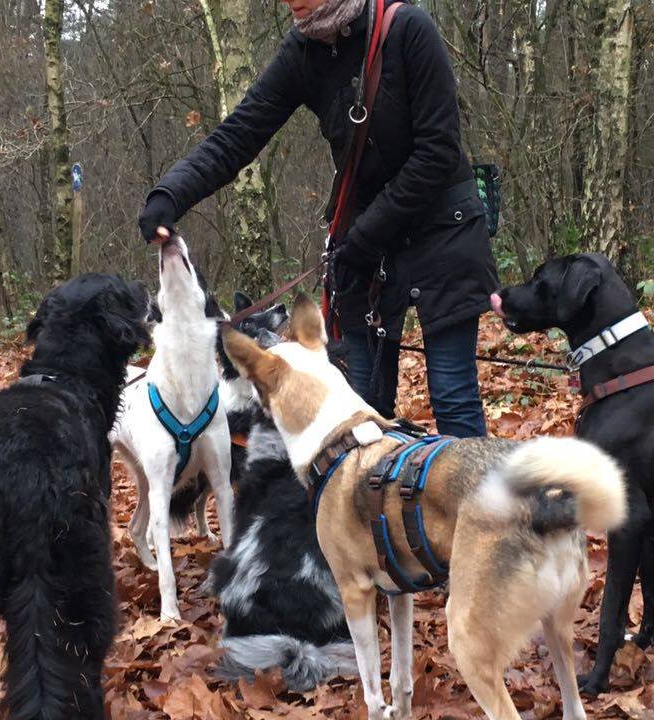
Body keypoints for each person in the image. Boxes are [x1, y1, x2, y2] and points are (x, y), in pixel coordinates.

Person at [138, 0, 496, 438]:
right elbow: (239, 135)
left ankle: (471, 508)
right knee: (359, 414)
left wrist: (363, 234)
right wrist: (170, 193)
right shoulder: (303, 51)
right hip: (366, 253)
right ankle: (368, 508)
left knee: (453, 397)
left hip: (443, 231)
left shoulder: (409, 30)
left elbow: (437, 152)